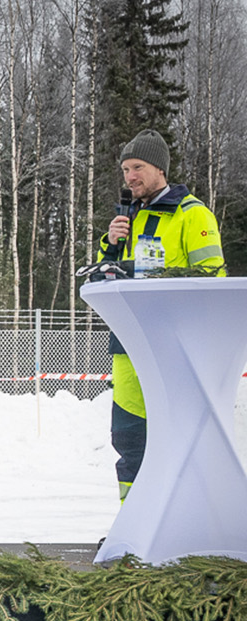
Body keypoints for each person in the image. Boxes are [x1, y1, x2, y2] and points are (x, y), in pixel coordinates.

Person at [95, 129, 224, 501]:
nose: (130, 176)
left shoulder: (192, 214)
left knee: (177, 437)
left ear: (160, 170)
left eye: (137, 167)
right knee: (129, 439)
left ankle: (180, 524)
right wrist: (112, 244)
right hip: (127, 347)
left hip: (174, 348)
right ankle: (131, 526)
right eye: (124, 170)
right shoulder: (129, 218)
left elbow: (212, 281)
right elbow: (111, 279)